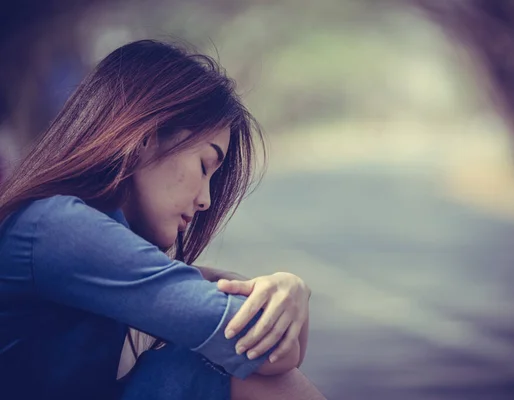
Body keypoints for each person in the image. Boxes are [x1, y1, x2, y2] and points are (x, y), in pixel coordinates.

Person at [0, 40, 326, 400]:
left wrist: (289, 293)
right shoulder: (59, 228)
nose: (206, 200)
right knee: (212, 370)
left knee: (194, 368)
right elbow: (266, 352)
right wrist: (290, 290)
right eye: (204, 166)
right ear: (144, 137)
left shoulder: (60, 229)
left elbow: (275, 354)